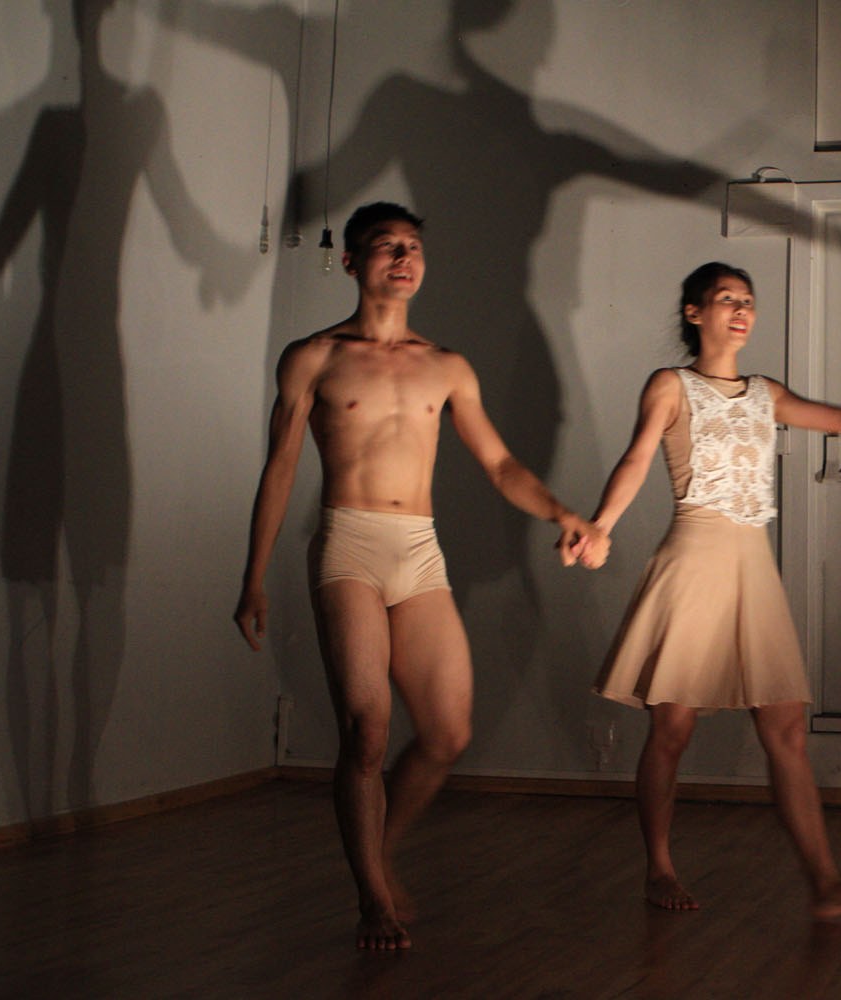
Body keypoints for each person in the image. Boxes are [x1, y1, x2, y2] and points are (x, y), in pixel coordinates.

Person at [232, 202, 607, 950]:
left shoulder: (446, 366)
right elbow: (280, 468)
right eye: (386, 247)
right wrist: (253, 580)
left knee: (446, 732)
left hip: (420, 551)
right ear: (352, 262)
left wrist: (563, 513)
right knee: (366, 731)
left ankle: (380, 849)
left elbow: (499, 463)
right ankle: (372, 898)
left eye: (413, 247)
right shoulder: (314, 357)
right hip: (349, 545)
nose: (404, 258)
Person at [586, 262, 841, 918]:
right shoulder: (671, 385)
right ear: (695, 312)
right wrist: (601, 526)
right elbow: (638, 456)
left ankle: (825, 883)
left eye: (748, 301)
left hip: (753, 568)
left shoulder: (765, 392)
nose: (741, 310)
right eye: (727, 299)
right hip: (694, 560)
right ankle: (659, 867)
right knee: (672, 727)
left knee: (786, 728)